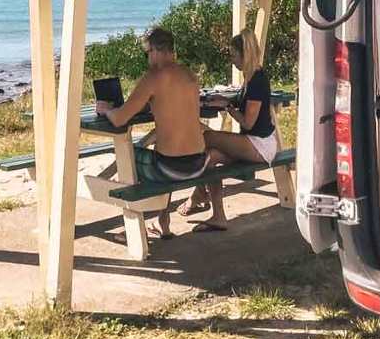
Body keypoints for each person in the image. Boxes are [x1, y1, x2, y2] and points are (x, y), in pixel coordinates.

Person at [96, 27, 207, 239]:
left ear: (155, 50)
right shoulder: (189, 74)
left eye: (146, 53)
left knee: (128, 157)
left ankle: (135, 230)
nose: (147, 58)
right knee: (162, 149)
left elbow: (119, 119)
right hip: (198, 164)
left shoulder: (153, 77)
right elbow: (172, 107)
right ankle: (162, 221)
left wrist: (106, 109)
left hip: (171, 168)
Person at [183, 29, 274, 233]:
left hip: (260, 144)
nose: (232, 60)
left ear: (245, 55)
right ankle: (218, 216)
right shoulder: (250, 77)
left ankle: (188, 182)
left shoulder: (257, 80)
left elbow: (249, 123)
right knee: (211, 156)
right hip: (253, 141)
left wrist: (228, 107)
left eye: (234, 55)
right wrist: (227, 101)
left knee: (207, 137)